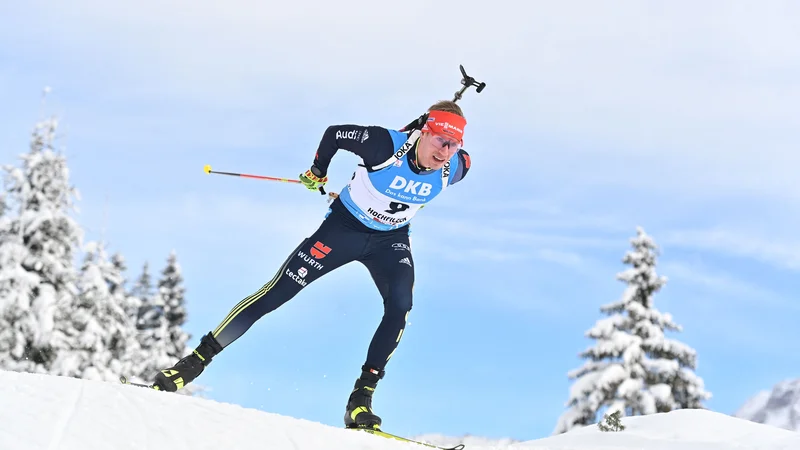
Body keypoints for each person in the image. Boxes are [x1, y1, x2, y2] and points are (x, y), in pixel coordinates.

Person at [151, 100, 472, 430]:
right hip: (344, 230)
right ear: (424, 133)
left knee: (401, 305)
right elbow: (334, 134)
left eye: (453, 144)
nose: (445, 152)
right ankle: (195, 361)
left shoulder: (458, 166)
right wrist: (317, 172)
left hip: (390, 242)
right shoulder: (382, 144)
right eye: (440, 141)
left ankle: (361, 399)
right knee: (278, 292)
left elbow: (441, 156)